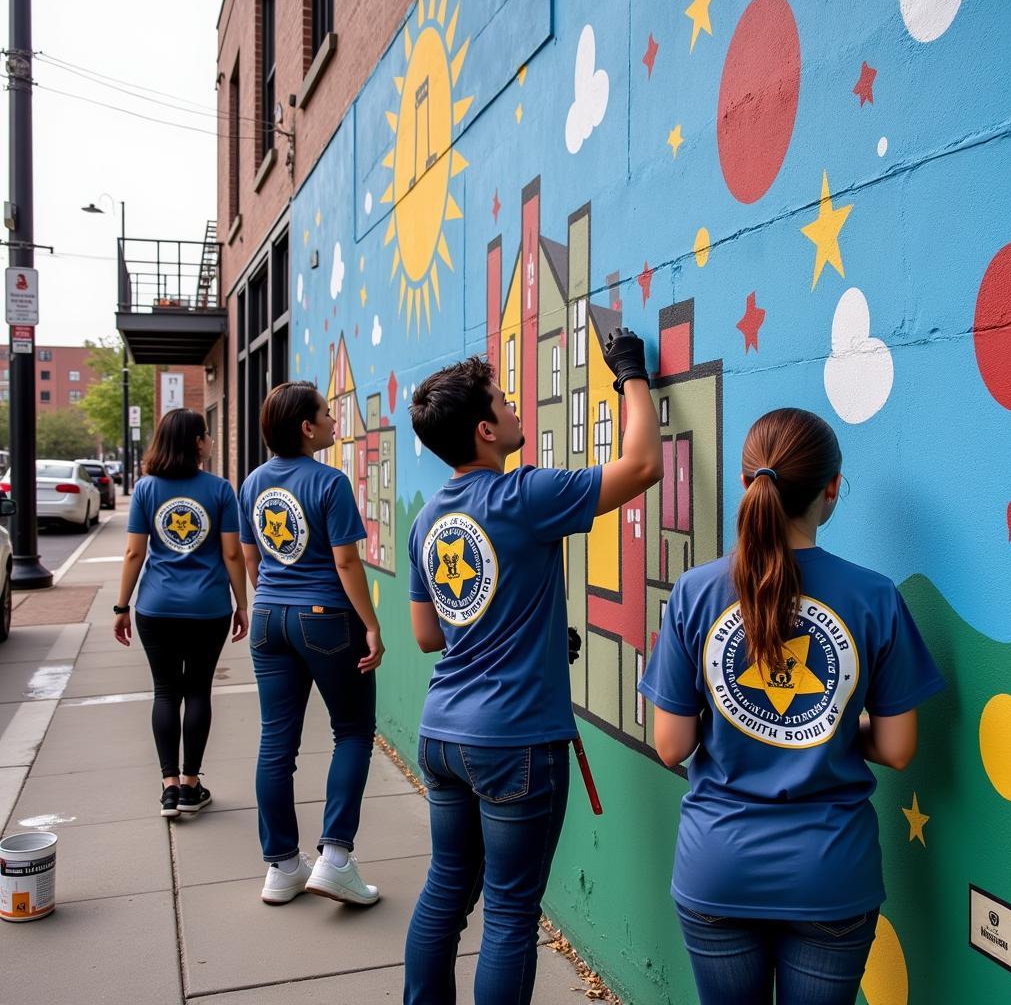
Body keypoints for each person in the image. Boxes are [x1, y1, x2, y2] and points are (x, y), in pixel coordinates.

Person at [638, 408, 946, 1005]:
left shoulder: (695, 592)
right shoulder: (875, 596)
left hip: (717, 867)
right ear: (831, 488)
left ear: (750, 483)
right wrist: (829, 726)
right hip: (831, 874)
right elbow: (898, 748)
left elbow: (672, 744)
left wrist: (738, 722)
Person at [403, 328, 663, 1005]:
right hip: (514, 742)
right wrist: (631, 373)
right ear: (487, 431)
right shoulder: (523, 495)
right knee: (512, 914)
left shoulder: (428, 519)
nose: (519, 410)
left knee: (444, 890)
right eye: (506, 403)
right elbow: (641, 467)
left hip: (442, 736)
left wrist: (527, 633)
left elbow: (429, 635)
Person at [239, 381, 384, 907]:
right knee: (352, 732)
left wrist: (275, 602)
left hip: (269, 617)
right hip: (325, 619)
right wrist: (370, 625)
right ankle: (336, 859)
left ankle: (281, 867)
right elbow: (347, 563)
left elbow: (253, 561)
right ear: (306, 427)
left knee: (276, 743)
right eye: (325, 413)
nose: (331, 420)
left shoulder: (253, 483)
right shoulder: (331, 482)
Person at [114, 408, 249, 819]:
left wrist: (122, 606)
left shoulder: (146, 489)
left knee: (165, 692)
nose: (210, 440)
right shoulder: (220, 490)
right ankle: (191, 785)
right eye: (206, 434)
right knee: (198, 692)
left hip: (155, 607)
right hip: (208, 609)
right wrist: (243, 603)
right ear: (196, 443)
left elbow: (135, 552)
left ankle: (168, 788)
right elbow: (231, 553)